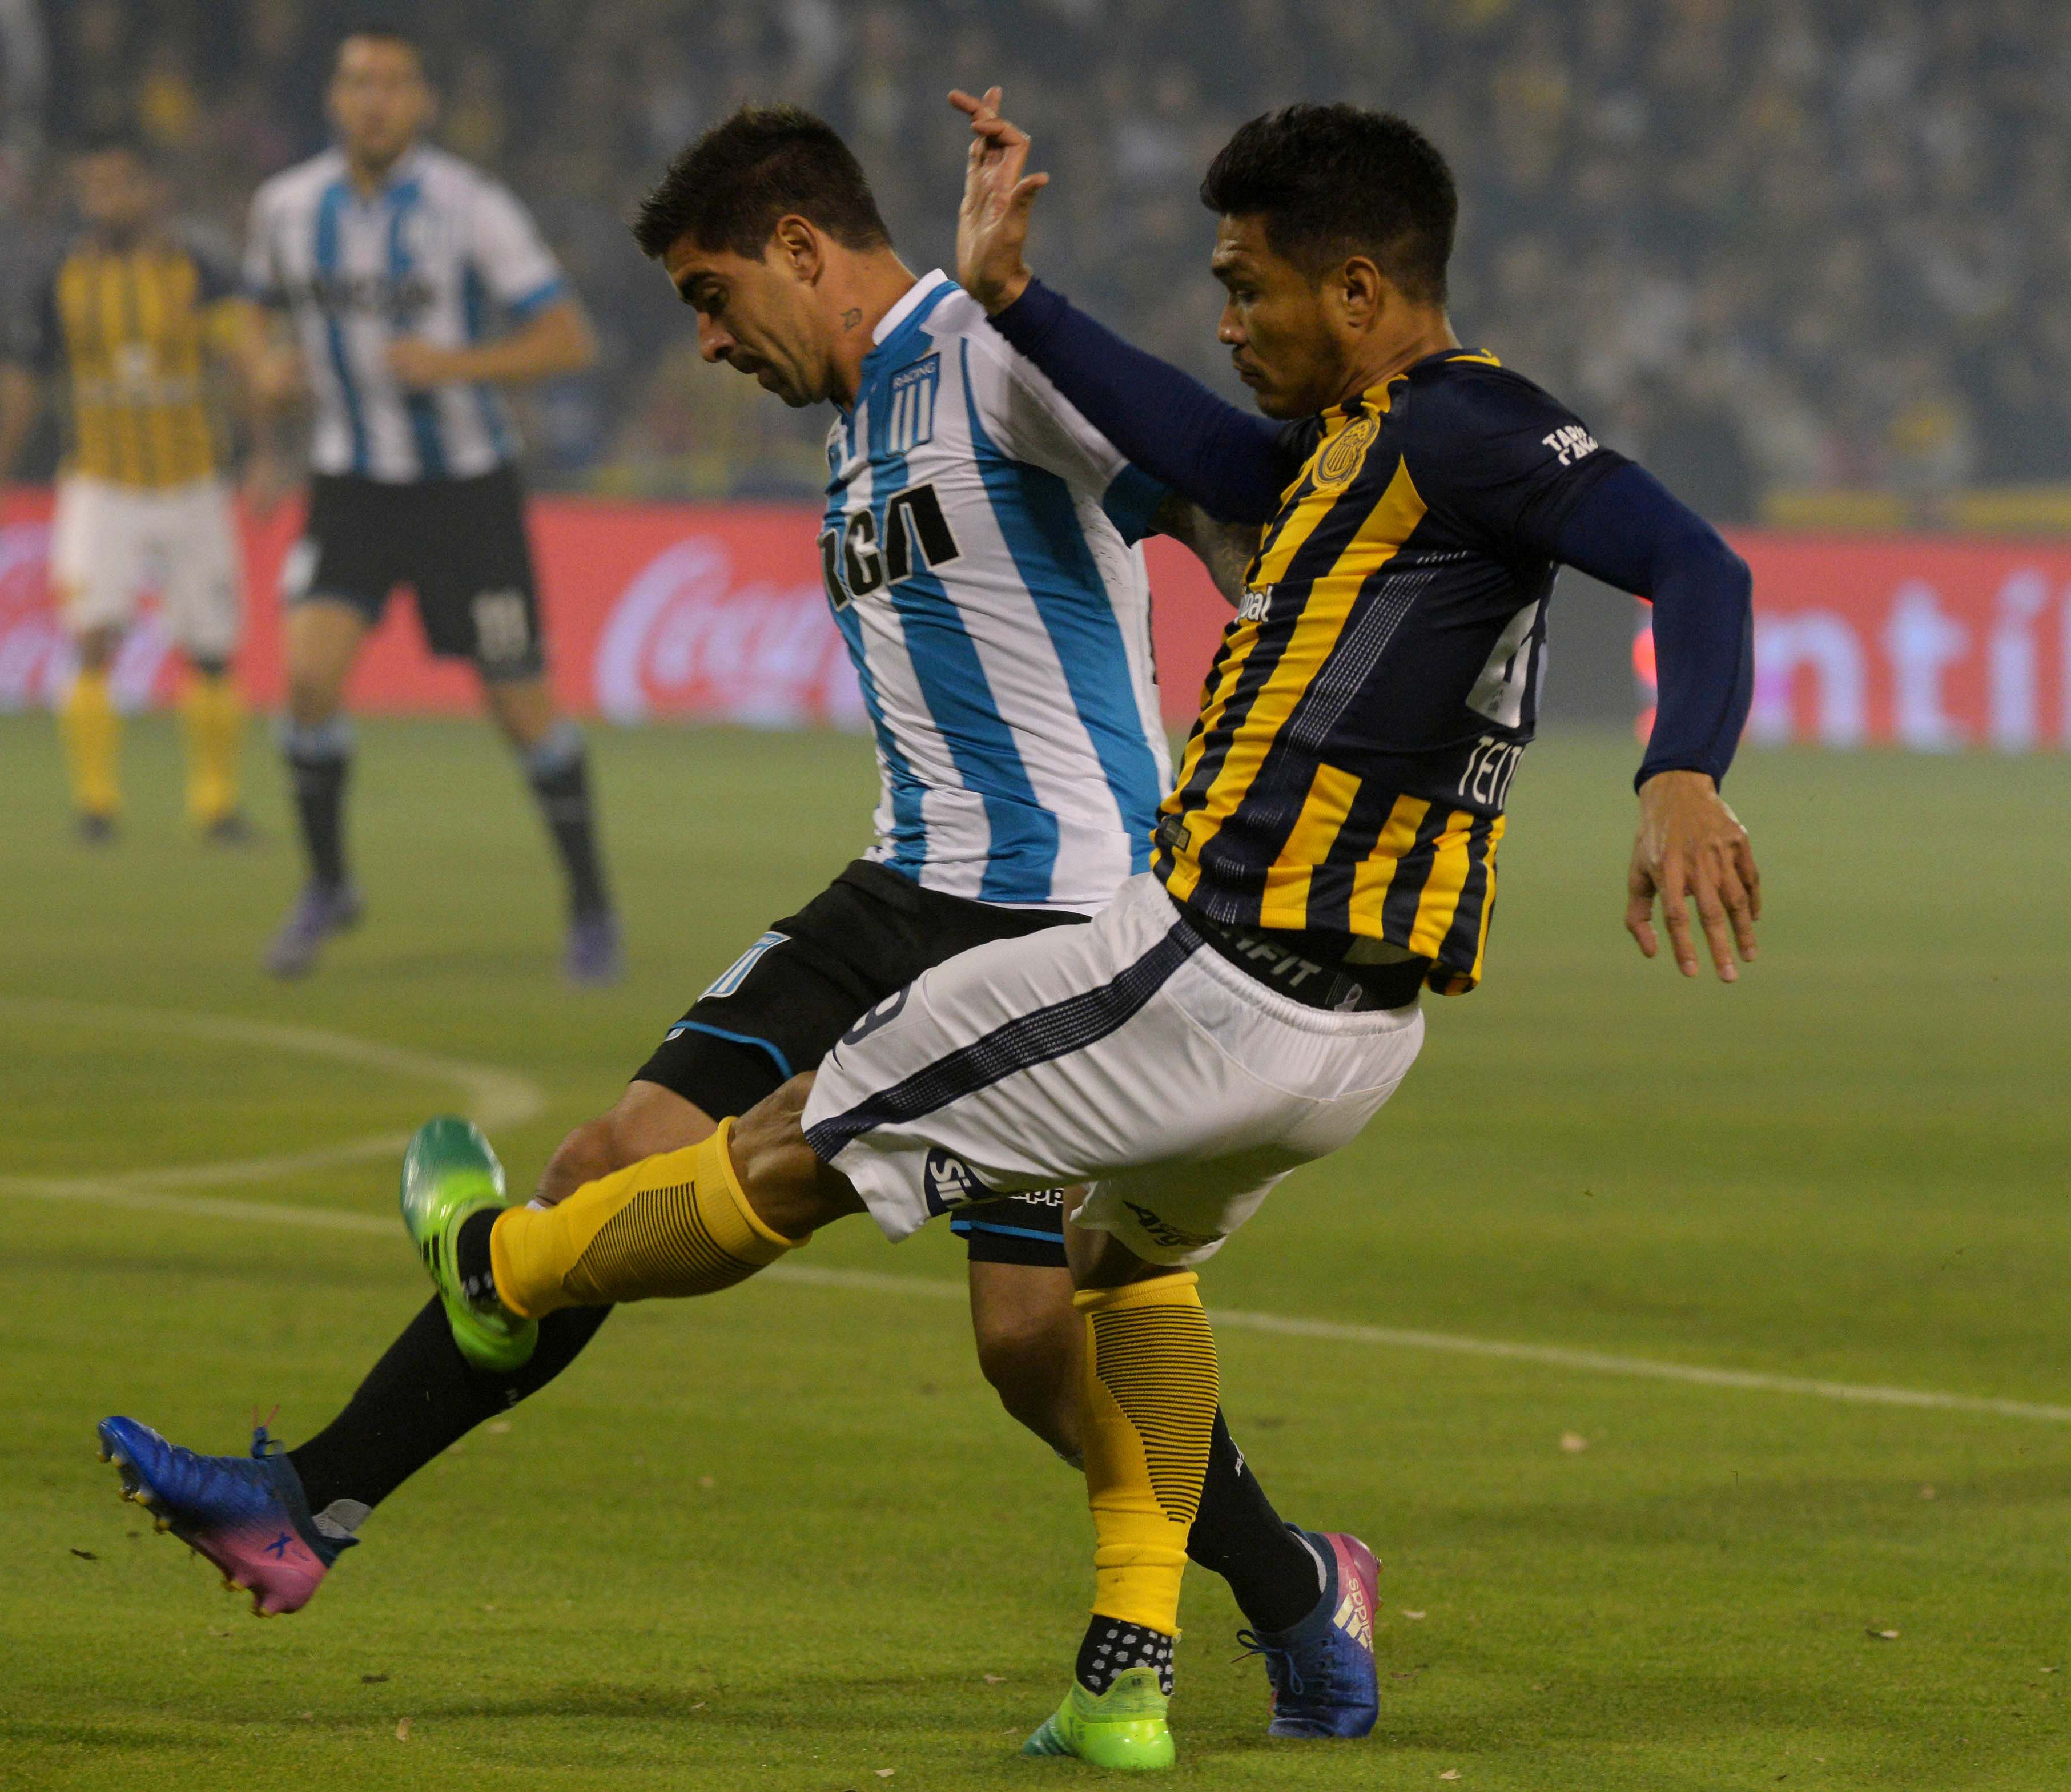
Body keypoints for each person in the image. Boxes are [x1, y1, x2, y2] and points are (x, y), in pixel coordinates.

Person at [377, 95, 1762, 1770]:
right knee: (1105, 1288)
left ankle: (498, 1261)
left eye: (1244, 287)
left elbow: (1694, 562)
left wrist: (1680, 766)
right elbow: (1192, 443)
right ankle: (1158, 1662)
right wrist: (1013, 296)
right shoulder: (1341, 453)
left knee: (807, 1137)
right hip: (1351, 1038)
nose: (1225, 321)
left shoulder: (1466, 427)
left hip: (1201, 968)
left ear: (1353, 289)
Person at [94, 105, 1326, 1678]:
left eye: (709, 294)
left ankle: (1296, 1586)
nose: (705, 342)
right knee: (607, 1161)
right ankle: (305, 1504)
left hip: (1060, 918)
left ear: (801, 249)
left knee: (1032, 1347)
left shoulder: (997, 359)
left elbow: (1232, 515)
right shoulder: (857, 417)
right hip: (897, 886)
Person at [242, 21, 617, 980]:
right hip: (351, 486)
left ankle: (590, 907)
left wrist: (457, 364)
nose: (374, 99)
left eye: (393, 83)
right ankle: (329, 885)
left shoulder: (471, 207)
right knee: (308, 678)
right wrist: (264, 377)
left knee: (520, 704)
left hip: (466, 493)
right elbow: (255, 312)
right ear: (334, 98)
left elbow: (568, 337)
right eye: (358, 81)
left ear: (423, 103)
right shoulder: (287, 207)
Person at [0, 130, 260, 844]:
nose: (101, 201)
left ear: (154, 190)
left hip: (194, 481)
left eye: (117, 185)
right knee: (93, 636)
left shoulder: (201, 272)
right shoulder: (59, 279)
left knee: (211, 650)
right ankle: (96, 804)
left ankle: (215, 804)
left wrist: (267, 454)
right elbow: (22, 385)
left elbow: (243, 363)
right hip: (101, 483)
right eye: (90, 187)